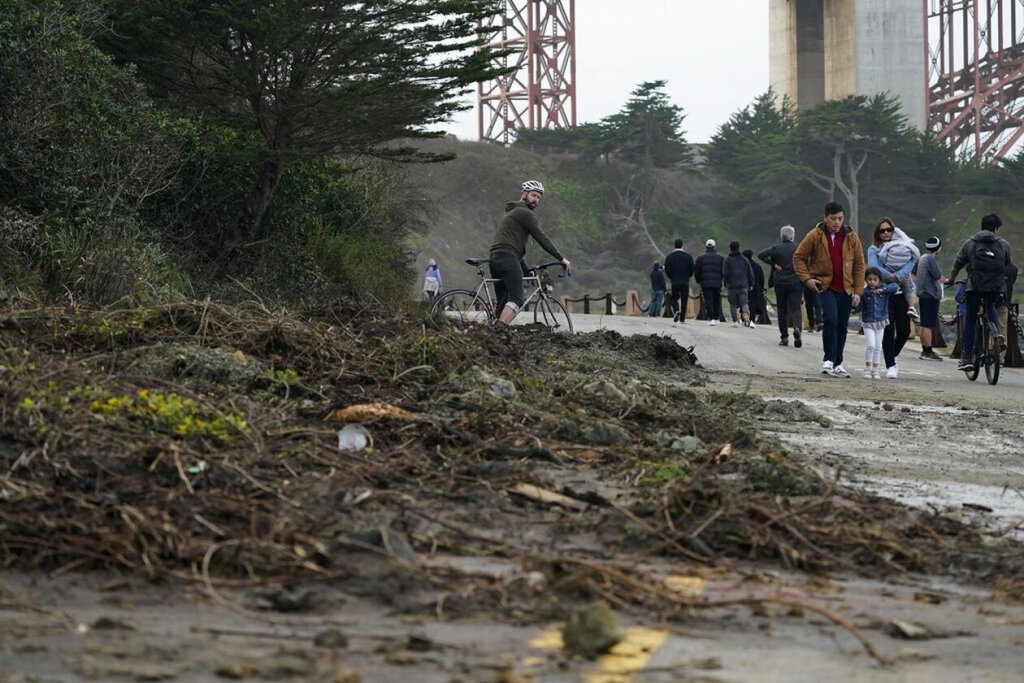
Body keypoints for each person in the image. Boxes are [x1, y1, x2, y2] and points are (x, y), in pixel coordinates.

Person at [793, 201, 865, 378]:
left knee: (842, 325)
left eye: (840, 218)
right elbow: (798, 257)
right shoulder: (814, 235)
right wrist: (807, 279)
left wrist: (858, 291)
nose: (837, 222)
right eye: (833, 218)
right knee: (831, 319)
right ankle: (828, 359)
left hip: (846, 288)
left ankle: (838, 362)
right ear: (825, 218)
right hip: (825, 286)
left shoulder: (851, 237)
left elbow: (859, 265)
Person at [489, 180, 572, 325]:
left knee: (502, 303)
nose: (536, 200)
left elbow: (513, 247)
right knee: (517, 299)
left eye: (539, 197)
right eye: (533, 195)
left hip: (496, 258)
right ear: (524, 194)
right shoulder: (525, 213)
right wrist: (561, 258)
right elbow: (541, 238)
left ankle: (492, 331)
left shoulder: (512, 212)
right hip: (508, 258)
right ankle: (498, 330)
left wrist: (526, 269)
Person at [947, 213, 1012, 372]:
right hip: (996, 287)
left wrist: (951, 279)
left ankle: (967, 358)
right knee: (990, 306)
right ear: (996, 228)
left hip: (975, 287)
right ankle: (997, 335)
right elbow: (1006, 264)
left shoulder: (970, 243)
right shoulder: (1004, 244)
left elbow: (957, 264)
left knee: (970, 319)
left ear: (982, 226)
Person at [868, 217, 918, 379]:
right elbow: (874, 267)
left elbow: (912, 261)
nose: (885, 233)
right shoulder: (873, 249)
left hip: (902, 294)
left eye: (888, 229)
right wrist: (894, 277)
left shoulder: (903, 246)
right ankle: (891, 364)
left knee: (904, 331)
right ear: (877, 233)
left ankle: (891, 355)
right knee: (888, 330)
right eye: (882, 230)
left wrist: (898, 276)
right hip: (883, 294)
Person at [759, 225, 804, 348]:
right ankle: (797, 328)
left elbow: (761, 255)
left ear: (781, 236)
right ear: (792, 236)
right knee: (796, 308)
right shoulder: (799, 248)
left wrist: (773, 264)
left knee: (782, 309)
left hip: (780, 282)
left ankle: (784, 337)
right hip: (795, 281)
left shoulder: (776, 248)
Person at [860, 267, 899, 379]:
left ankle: (875, 369)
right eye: (869, 279)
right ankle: (867, 368)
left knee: (878, 347)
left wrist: (883, 290)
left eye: (875, 279)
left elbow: (895, 287)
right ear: (866, 280)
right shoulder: (864, 292)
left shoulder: (884, 290)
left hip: (881, 322)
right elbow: (858, 307)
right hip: (868, 322)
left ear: (879, 280)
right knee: (871, 345)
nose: (872, 282)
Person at [916, 236, 945, 361]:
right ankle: (928, 351)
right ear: (938, 248)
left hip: (923, 294)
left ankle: (924, 350)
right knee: (929, 325)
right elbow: (937, 275)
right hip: (930, 295)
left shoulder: (923, 257)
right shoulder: (930, 259)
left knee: (924, 324)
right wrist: (947, 280)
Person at [723, 240, 756, 328]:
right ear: (739, 248)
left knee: (733, 304)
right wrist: (751, 283)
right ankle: (746, 319)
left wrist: (725, 283)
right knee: (744, 303)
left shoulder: (728, 260)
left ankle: (735, 321)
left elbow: (725, 273)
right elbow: (750, 273)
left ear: (730, 248)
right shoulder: (745, 259)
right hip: (743, 285)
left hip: (732, 286)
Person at [694, 239, 725, 325]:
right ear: (714, 246)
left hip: (705, 283)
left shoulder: (701, 258)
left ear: (706, 247)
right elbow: (723, 271)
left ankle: (711, 318)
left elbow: (697, 271)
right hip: (717, 282)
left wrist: (698, 280)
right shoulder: (721, 258)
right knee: (716, 300)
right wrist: (722, 280)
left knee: (708, 300)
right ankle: (717, 318)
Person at [663, 238, 695, 322]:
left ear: (674, 245)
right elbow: (692, 269)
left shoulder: (669, 257)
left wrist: (672, 277)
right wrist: (687, 276)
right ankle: (682, 319)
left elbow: (667, 270)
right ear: (682, 245)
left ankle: (676, 310)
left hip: (675, 282)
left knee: (673, 298)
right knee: (684, 300)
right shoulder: (688, 257)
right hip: (685, 281)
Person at [743, 249, 766, 323]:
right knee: (752, 304)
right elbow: (762, 279)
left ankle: (744, 319)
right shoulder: (757, 266)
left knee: (743, 303)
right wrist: (761, 288)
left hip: (743, 287)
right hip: (755, 287)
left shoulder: (742, 266)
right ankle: (752, 320)